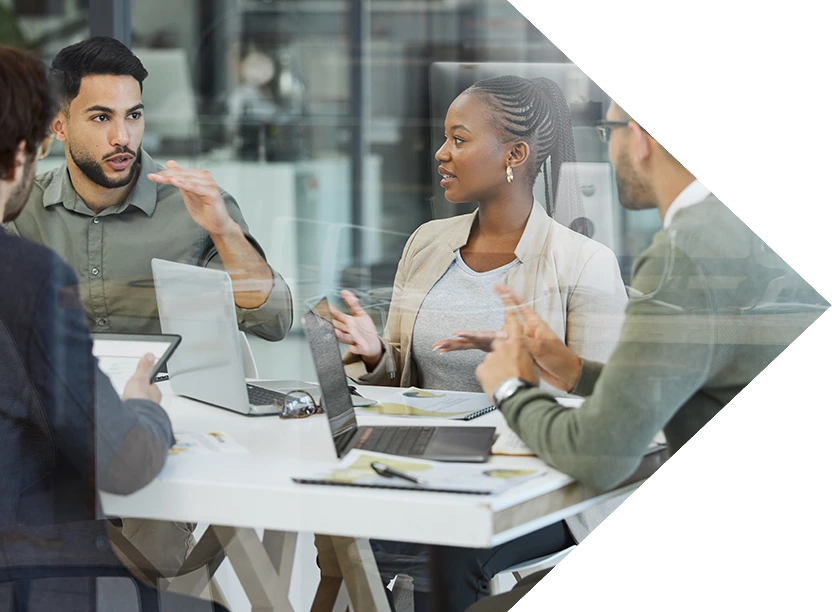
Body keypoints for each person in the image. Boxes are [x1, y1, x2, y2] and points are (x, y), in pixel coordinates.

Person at [467, 97, 821, 611]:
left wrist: (510, 388)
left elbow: (598, 455)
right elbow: (710, 372)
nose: (609, 149)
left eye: (608, 129)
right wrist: (576, 372)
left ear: (639, 137)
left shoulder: (684, 254)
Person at [331, 75, 628, 610]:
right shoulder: (427, 243)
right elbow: (405, 379)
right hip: (429, 467)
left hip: (545, 484)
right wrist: (375, 354)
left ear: (514, 154)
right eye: (445, 138)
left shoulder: (584, 262)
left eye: (459, 139)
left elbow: (603, 408)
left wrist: (528, 366)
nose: (441, 153)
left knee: (448, 548)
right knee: (344, 526)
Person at [3, 36, 291, 581]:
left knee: (146, 552)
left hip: (164, 438)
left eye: (133, 116)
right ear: (59, 126)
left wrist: (225, 232)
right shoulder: (22, 207)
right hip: (55, 441)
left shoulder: (194, 207)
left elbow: (273, 320)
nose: (123, 137)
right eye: (101, 117)